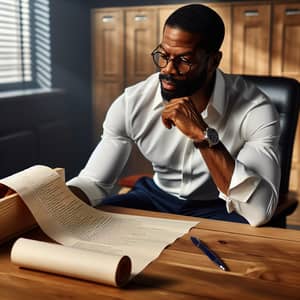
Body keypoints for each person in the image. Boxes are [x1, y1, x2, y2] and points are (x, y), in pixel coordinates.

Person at [68, 4, 281, 226]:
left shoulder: (254, 108)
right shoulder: (132, 103)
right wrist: (50, 201)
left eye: (185, 61)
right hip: (155, 197)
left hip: (218, 205)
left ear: (213, 62)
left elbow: (259, 212)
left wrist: (203, 136)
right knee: (98, 221)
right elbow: (94, 183)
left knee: (247, 240)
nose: (168, 69)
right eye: (163, 55)